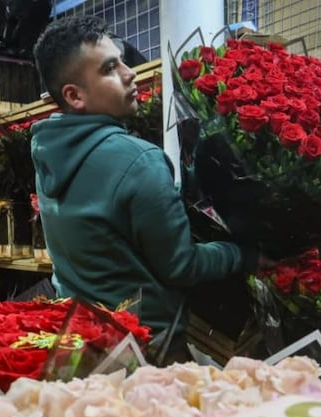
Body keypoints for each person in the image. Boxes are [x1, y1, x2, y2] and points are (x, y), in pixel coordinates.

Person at [30, 15, 252, 362]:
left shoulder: (50, 153)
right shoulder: (139, 161)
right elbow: (181, 266)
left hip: (81, 345)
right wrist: (244, 254)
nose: (129, 72)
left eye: (122, 61)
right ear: (74, 95)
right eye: (109, 68)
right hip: (146, 349)